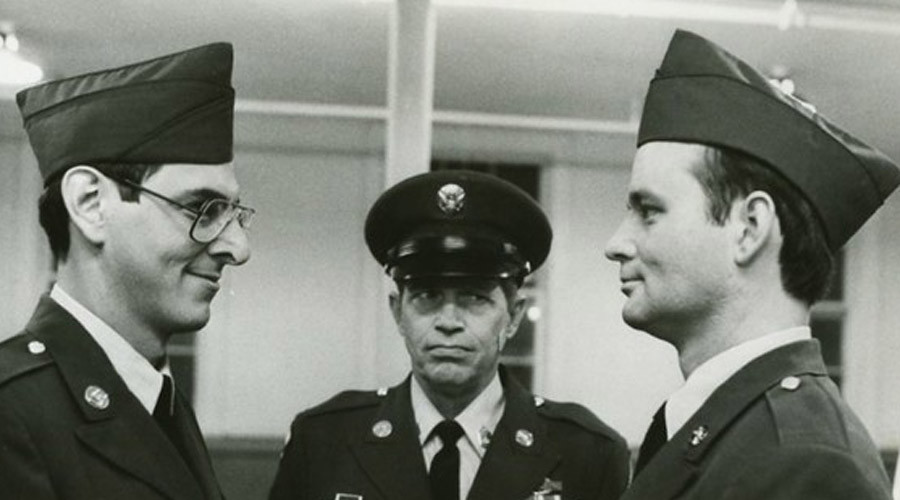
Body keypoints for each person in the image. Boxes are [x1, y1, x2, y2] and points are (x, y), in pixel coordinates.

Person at [605, 29, 899, 499]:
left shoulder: (808, 464)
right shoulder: (735, 428)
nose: (616, 243)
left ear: (748, 227)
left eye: (649, 211)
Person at [270, 170, 629, 500]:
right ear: (398, 311)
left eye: (475, 299)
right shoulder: (323, 441)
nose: (449, 321)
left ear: (514, 317)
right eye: (427, 297)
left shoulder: (586, 453)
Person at [0, 43, 253, 499]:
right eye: (201, 208)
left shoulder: (154, 398)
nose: (238, 247)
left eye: (234, 214)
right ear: (90, 204)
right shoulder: (12, 412)